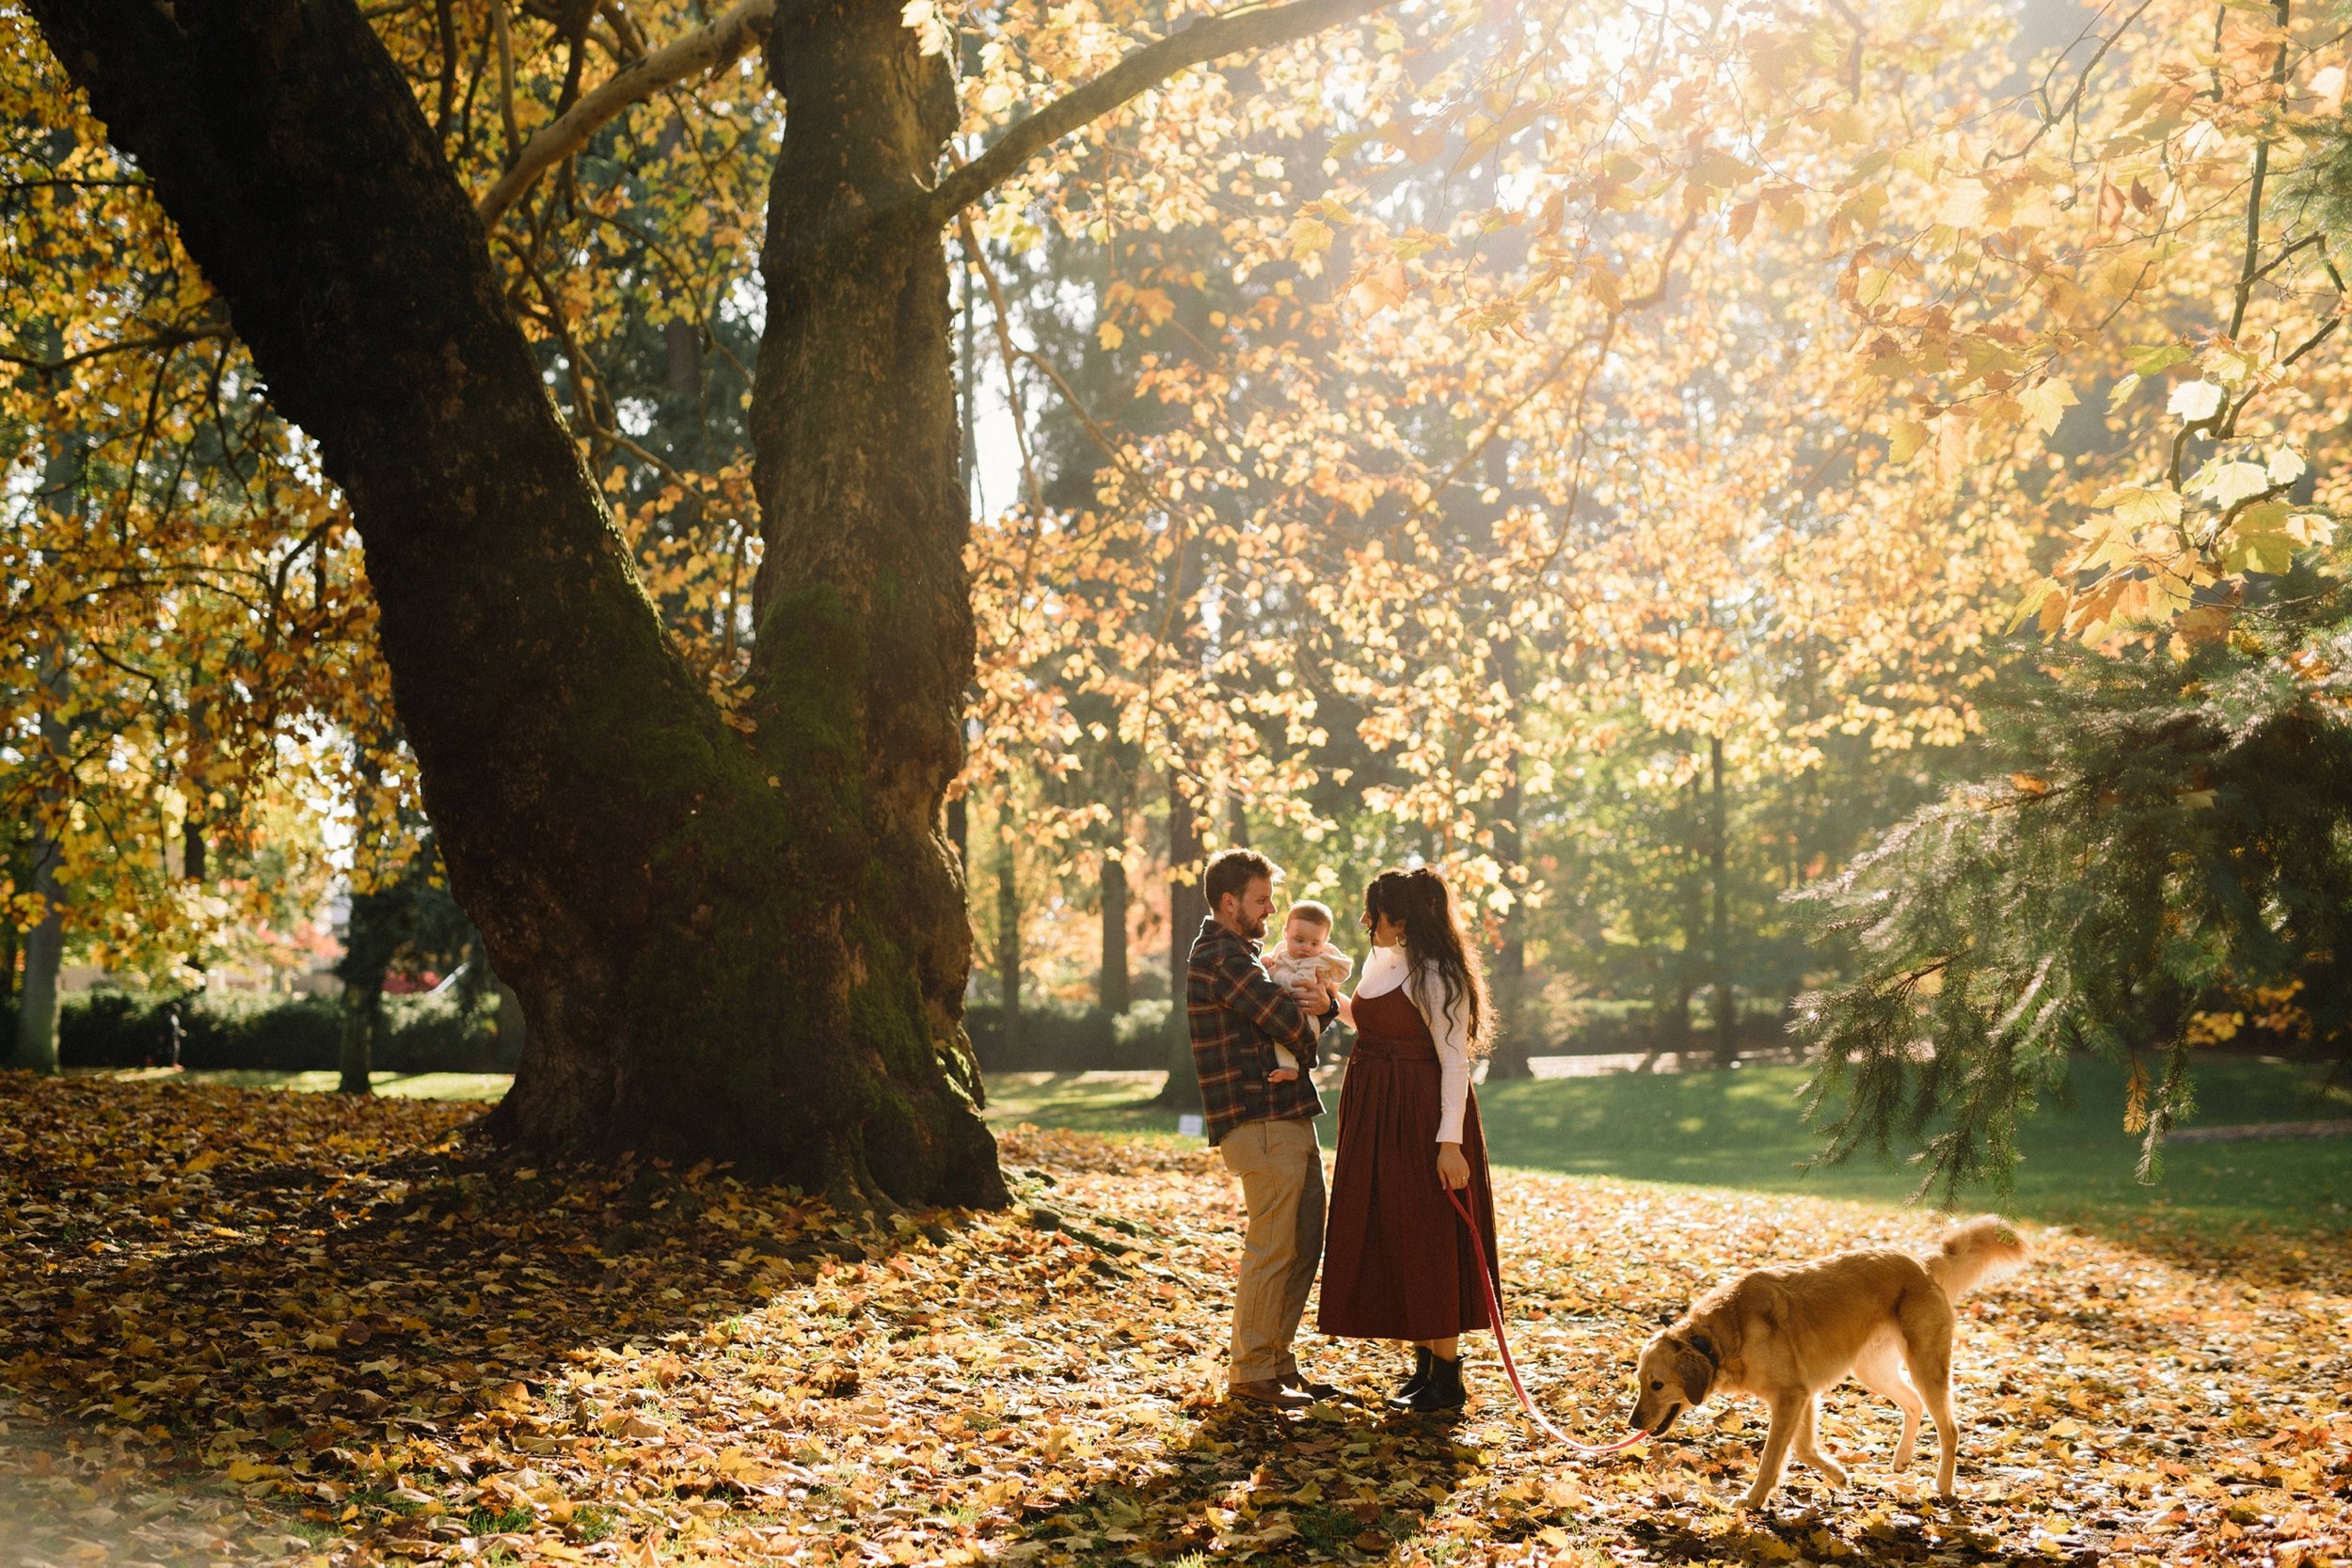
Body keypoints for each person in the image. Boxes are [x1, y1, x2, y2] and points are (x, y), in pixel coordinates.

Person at [1317, 865, 1501, 1414]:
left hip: (1422, 1115)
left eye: (1373, 912)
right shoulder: (1381, 960)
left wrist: (1450, 1143)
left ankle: (1447, 1377)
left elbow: (1453, 1064)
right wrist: (1333, 1004)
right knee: (1396, 1227)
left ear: (1400, 919)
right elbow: (1378, 1024)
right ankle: (1423, 1365)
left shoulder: (1437, 975)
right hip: (1377, 1113)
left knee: (1430, 1232)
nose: (1363, 921)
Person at [1186, 847, 1342, 1410]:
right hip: (1258, 1119)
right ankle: (1251, 1372)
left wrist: (1315, 1013)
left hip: (1288, 1115)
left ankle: (1274, 1358)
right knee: (1274, 1243)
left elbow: (1297, 1023)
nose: (1272, 910)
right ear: (1230, 903)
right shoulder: (1222, 957)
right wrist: (1318, 1014)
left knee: (1304, 1240)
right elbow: (1287, 1024)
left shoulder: (1247, 956)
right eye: (1260, 899)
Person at [1258, 900, 1353, 1084]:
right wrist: (1268, 960)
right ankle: (1293, 1066)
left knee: (1285, 1035)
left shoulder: (1319, 961)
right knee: (1277, 1032)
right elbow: (1276, 958)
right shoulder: (1284, 952)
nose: (1306, 948)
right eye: (1299, 940)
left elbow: (1304, 984)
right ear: (1286, 933)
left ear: (1325, 942)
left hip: (1307, 1014)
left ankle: (1290, 1068)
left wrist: (1275, 974)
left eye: (1315, 943)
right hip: (1287, 1009)